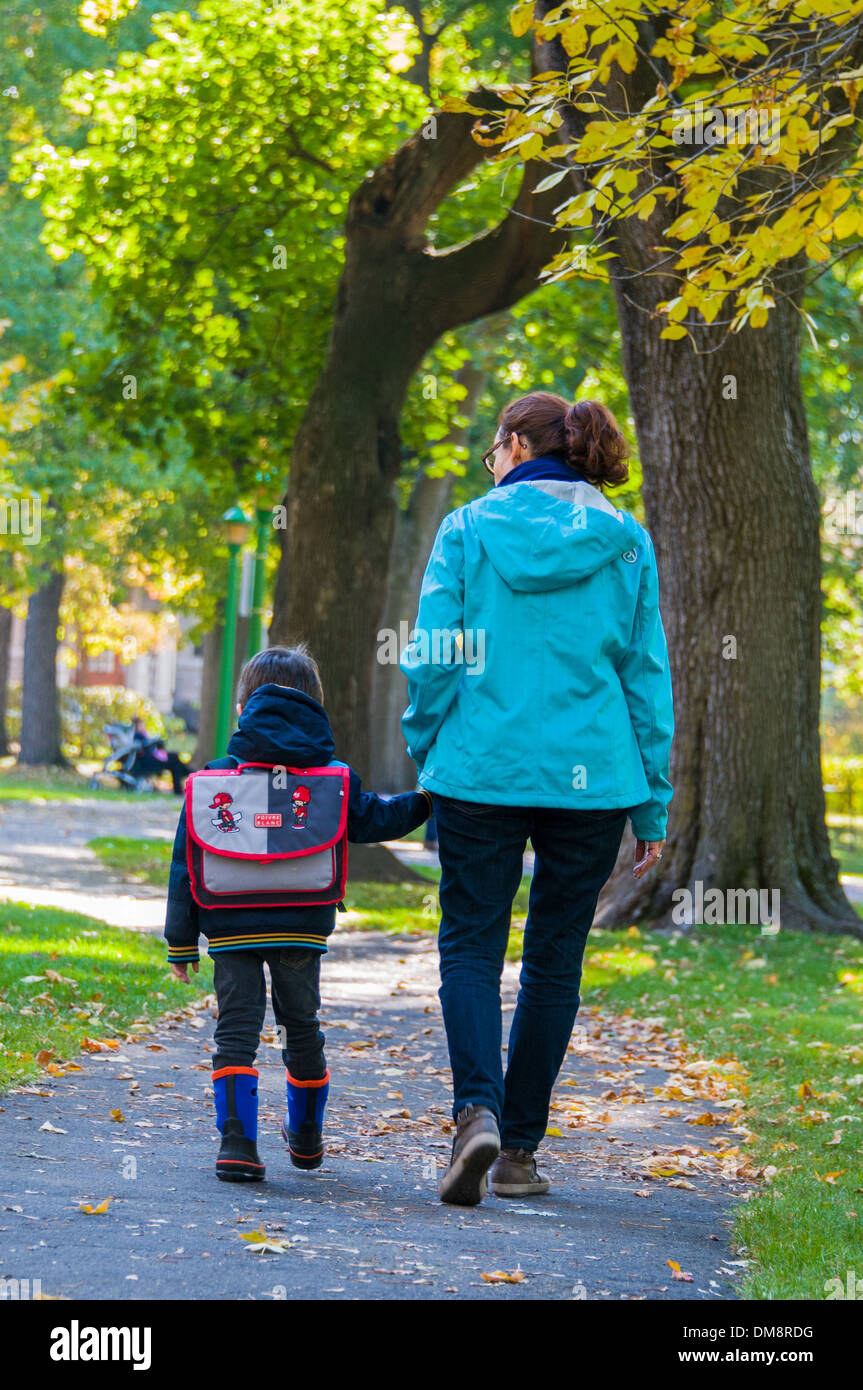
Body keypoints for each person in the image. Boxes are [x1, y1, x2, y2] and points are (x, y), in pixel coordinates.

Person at [401, 392, 674, 1207]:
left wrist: (428, 746)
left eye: (494, 449)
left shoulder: (467, 530)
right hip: (592, 779)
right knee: (555, 959)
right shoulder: (626, 543)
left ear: (516, 445)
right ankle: (518, 1151)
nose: (492, 463)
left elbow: (433, 657)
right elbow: (644, 679)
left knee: (473, 947)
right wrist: (652, 805)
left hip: (482, 768)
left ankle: (474, 1113)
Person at [164, 645, 431, 1183]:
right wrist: (428, 800)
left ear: (243, 707)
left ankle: (236, 1145)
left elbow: (185, 862)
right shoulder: (333, 780)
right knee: (300, 1028)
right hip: (299, 926)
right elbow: (377, 820)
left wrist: (180, 942)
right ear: (315, 703)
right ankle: (306, 1138)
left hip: (231, 924)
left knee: (235, 1032)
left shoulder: (214, 781)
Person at [131, 715, 189, 796]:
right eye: (141, 724)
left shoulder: (141, 734)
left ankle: (187, 776)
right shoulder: (137, 736)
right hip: (148, 762)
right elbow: (144, 748)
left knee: (176, 762)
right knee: (175, 761)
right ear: (136, 725)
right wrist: (153, 742)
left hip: (151, 759)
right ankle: (189, 774)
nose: (142, 726)